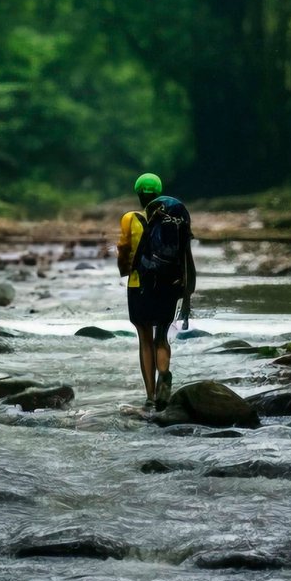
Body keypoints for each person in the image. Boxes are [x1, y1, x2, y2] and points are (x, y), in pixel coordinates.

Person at [117, 172, 196, 410]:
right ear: (159, 193)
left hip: (139, 284)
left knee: (144, 337)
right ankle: (164, 373)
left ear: (140, 194)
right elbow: (185, 254)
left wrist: (124, 270)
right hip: (169, 284)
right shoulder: (175, 218)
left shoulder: (131, 219)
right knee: (161, 335)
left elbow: (124, 253)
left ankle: (150, 395)